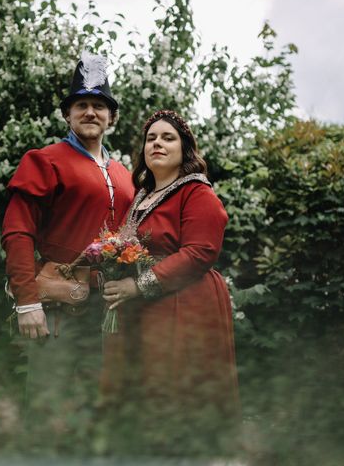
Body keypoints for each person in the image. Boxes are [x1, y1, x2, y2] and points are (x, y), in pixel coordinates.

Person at [1, 52, 135, 451]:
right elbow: (17, 232)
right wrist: (27, 301)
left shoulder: (124, 174)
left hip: (109, 313)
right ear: (68, 115)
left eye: (99, 106)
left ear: (111, 117)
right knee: (47, 415)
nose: (90, 112)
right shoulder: (45, 161)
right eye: (82, 105)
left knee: (99, 416)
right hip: (60, 310)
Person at [99, 109, 240, 455]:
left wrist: (137, 285)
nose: (157, 143)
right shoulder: (141, 196)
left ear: (184, 149)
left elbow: (199, 252)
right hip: (144, 311)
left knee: (176, 392)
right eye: (151, 138)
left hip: (185, 304)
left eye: (167, 137)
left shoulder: (196, 192)